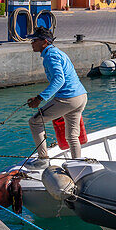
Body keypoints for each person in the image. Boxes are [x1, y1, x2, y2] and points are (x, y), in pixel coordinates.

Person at [26, 27, 88, 162]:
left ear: (44, 42)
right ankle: (76, 163)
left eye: (34, 40)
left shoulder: (50, 56)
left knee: (35, 122)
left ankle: (43, 159)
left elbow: (59, 80)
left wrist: (39, 98)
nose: (31, 43)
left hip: (68, 98)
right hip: (81, 97)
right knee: (72, 136)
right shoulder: (58, 53)